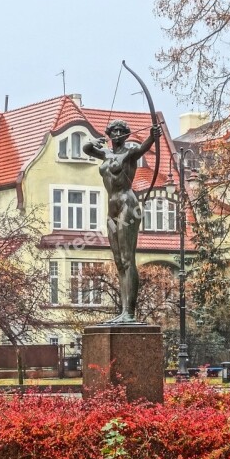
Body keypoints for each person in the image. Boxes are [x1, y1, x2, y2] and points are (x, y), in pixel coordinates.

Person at [83, 120, 161, 323]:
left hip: (128, 204)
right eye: (114, 131)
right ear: (109, 134)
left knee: (127, 259)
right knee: (118, 261)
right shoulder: (105, 154)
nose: (117, 133)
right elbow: (86, 148)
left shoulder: (130, 152)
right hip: (112, 207)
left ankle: (129, 312)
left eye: (121, 131)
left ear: (126, 135)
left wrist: (153, 135)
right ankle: (123, 311)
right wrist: (95, 140)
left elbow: (145, 146)